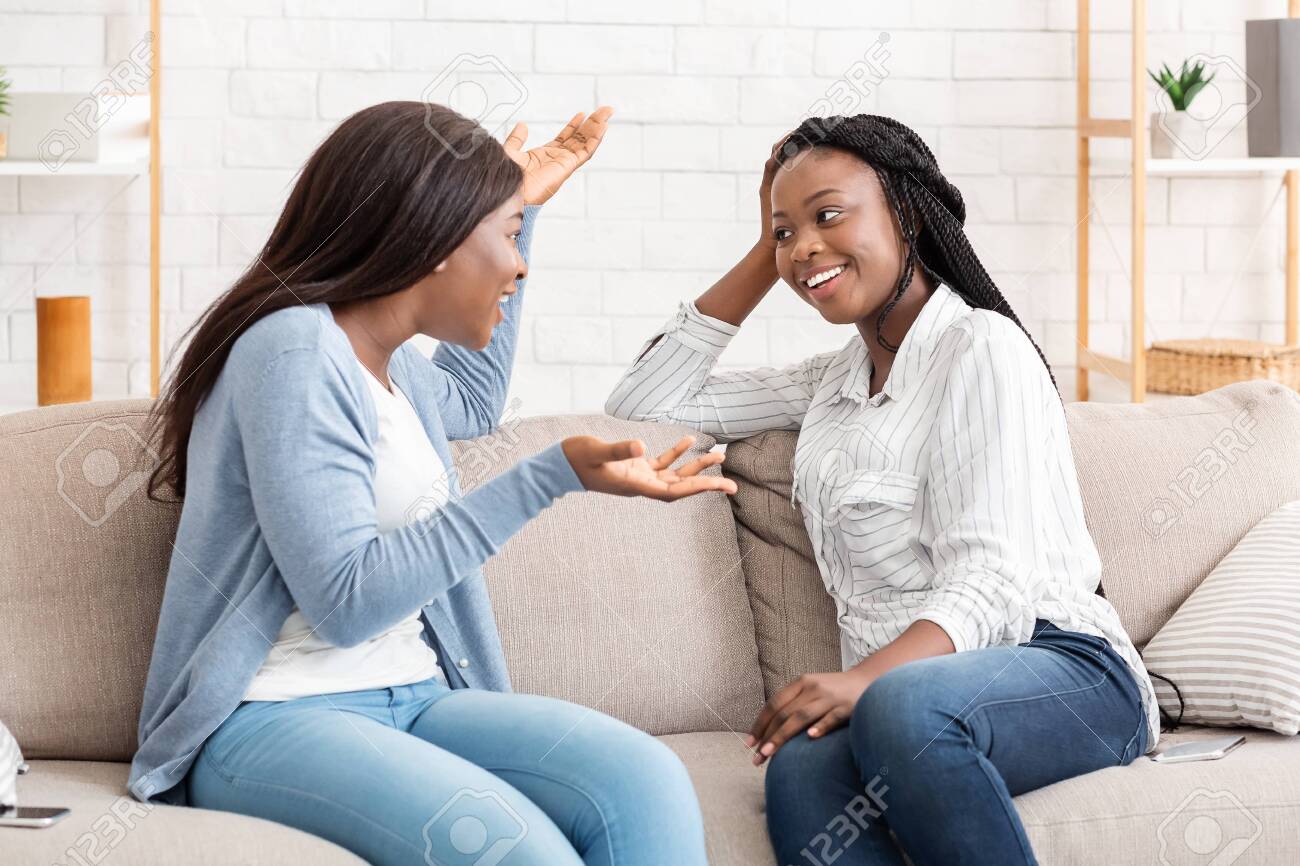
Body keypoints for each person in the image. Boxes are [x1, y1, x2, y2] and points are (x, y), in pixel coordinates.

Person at [130, 101, 723, 866]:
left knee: (646, 780)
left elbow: (473, 401)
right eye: (507, 238)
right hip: (273, 717)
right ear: (438, 238)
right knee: (523, 852)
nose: (519, 266)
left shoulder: (396, 363)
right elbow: (345, 603)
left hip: (415, 696)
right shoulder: (294, 351)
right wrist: (548, 478)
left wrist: (525, 210)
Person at [605, 114, 1158, 866]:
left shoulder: (983, 349)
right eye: (785, 232)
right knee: (801, 763)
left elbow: (993, 584)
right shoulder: (830, 384)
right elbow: (645, 404)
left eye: (829, 215)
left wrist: (864, 679)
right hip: (901, 702)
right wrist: (775, 254)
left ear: (904, 210)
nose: (804, 246)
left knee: (903, 704)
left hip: (1064, 669)